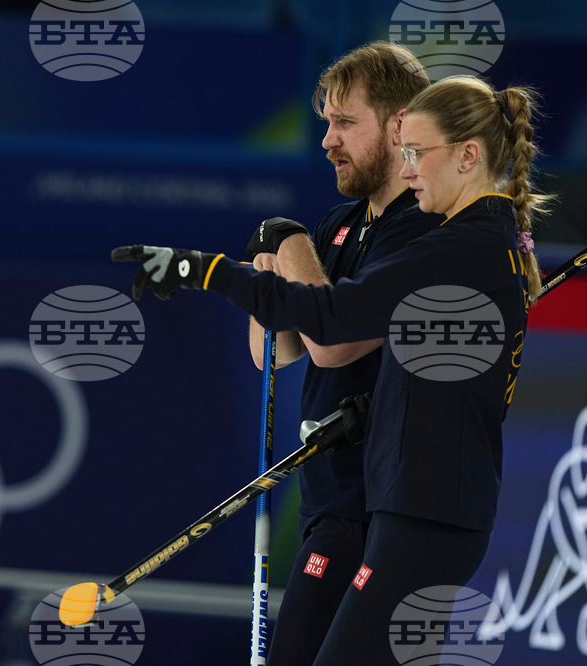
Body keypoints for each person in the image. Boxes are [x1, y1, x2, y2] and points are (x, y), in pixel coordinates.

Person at [112, 74, 550, 663]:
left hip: (429, 510)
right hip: (421, 506)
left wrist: (206, 270)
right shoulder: (481, 240)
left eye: (419, 153)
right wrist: (381, 407)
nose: (410, 168)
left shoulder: (460, 244)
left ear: (469, 156)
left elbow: (333, 316)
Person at [245, 42, 441, 665]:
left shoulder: (425, 226)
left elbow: (332, 345)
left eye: (345, 122)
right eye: (326, 122)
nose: (327, 139)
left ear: (400, 123)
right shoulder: (339, 223)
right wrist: (265, 280)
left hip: (382, 509)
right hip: (331, 502)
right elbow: (273, 353)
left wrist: (293, 244)